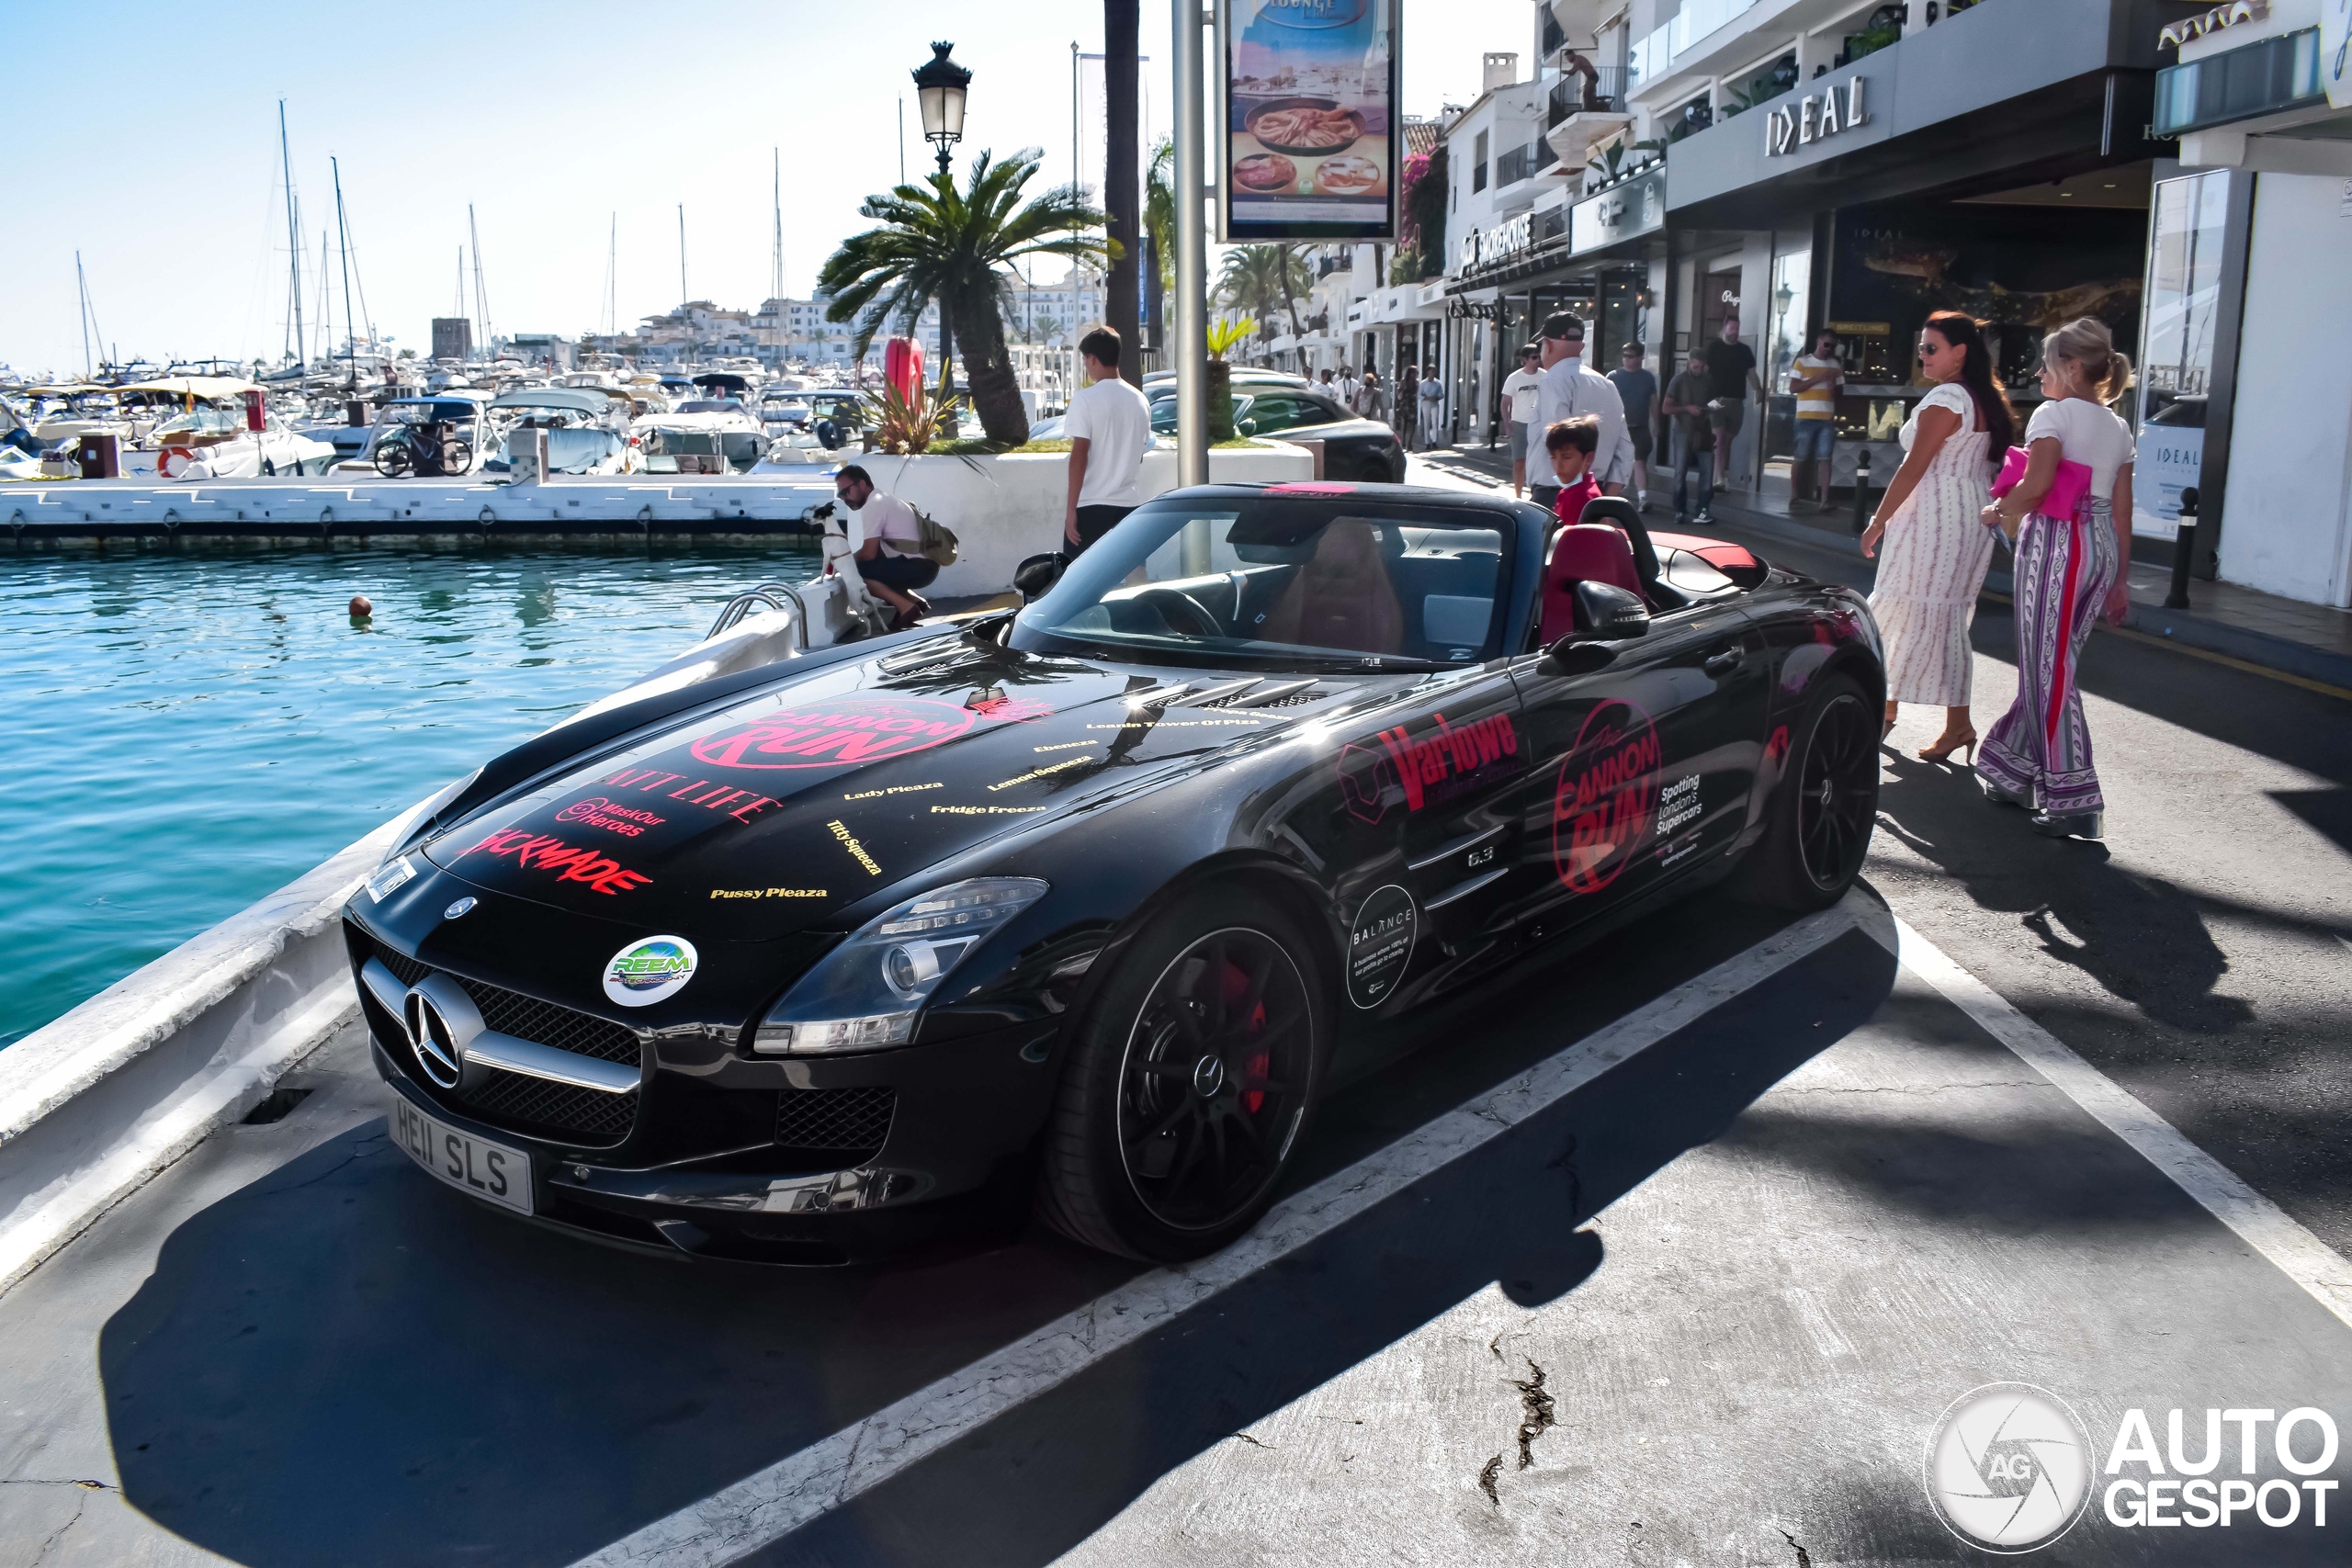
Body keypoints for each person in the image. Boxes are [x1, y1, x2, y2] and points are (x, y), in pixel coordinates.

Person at [1974, 317, 2136, 840]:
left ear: (2069, 368)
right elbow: (2122, 511)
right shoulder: (2118, 426)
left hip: (2058, 544)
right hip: (2101, 550)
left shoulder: (2054, 413)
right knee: (2054, 664)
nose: (2038, 373)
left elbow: (2038, 484)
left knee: (2048, 670)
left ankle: (2073, 797)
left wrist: (1998, 508)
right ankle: (2011, 773)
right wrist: (2119, 581)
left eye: (2045, 364)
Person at [1860, 310, 2014, 765]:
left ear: (1960, 353)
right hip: (1968, 515)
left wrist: (1878, 520)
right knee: (1937, 613)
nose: (1922, 356)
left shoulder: (1948, 397)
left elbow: (1915, 466)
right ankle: (1907, 710)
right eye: (1921, 347)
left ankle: (1934, 718)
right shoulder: (1985, 398)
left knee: (1901, 606)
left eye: (1931, 348)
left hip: (1933, 516)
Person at [1062, 326, 1153, 558]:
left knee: (1078, 580)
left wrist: (1071, 510)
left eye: (1085, 360)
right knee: (1135, 575)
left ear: (1092, 359)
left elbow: (1079, 455)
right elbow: (1140, 452)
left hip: (1091, 506)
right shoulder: (1140, 400)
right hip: (1130, 505)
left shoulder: (1085, 399)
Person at [1529, 312, 1632, 515]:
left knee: (1551, 547)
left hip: (1556, 494)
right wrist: (1607, 501)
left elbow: (1557, 439)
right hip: (1596, 491)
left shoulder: (1554, 380)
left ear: (1547, 345)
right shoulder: (1606, 384)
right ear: (1582, 346)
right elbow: (1625, 450)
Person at [834, 464, 937, 630]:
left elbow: (868, 555)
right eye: (841, 495)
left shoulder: (874, 505)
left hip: (918, 568)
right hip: (926, 566)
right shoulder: (884, 498)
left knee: (858, 572)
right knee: (876, 567)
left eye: (846, 492)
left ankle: (906, 608)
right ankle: (914, 602)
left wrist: (846, 561)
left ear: (861, 484)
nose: (844, 498)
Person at [1698, 318, 1764, 489]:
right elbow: (1703, 371)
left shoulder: (1744, 350)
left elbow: (1751, 373)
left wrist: (1758, 389)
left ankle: (1717, 475)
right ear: (1724, 329)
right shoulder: (1713, 348)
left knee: (1727, 440)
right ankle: (1719, 479)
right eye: (1732, 328)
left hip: (1736, 401)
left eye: (1737, 328)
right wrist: (1702, 395)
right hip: (1715, 399)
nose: (1734, 331)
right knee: (1718, 439)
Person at [1789, 328, 1844, 510]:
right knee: (1801, 457)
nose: (1828, 348)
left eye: (1832, 345)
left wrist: (1831, 386)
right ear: (1818, 341)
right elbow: (1793, 388)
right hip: (1805, 417)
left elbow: (1840, 395)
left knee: (1825, 458)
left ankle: (1824, 500)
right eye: (1826, 344)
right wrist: (1817, 378)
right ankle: (1794, 495)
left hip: (1826, 417)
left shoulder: (1836, 365)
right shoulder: (1802, 362)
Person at [1661, 352, 1715, 525]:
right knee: (1680, 471)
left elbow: (1712, 401)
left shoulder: (1708, 380)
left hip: (1704, 431)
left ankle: (1703, 510)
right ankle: (1679, 509)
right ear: (1689, 363)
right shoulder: (1678, 380)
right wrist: (1686, 408)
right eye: (1695, 366)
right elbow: (1666, 408)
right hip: (1683, 431)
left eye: (1701, 367)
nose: (1698, 370)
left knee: (1707, 473)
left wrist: (1712, 408)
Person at [1606, 342, 1657, 512]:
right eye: (1625, 356)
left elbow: (1653, 402)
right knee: (1615, 463)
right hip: (1618, 427)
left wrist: (1657, 424)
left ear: (1640, 357)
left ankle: (1643, 499)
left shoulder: (1647, 378)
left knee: (1640, 462)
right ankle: (1609, 497)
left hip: (1640, 426)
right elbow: (1604, 402)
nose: (1627, 360)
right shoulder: (1613, 377)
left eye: (1631, 356)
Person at [1543, 415, 1603, 529]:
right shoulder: (1574, 491)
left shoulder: (1580, 497)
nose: (1558, 464)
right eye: (1553, 457)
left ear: (1588, 459)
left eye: (1566, 457)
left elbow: (1568, 543)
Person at [1500, 344, 1543, 496]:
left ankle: (1535, 493)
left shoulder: (1545, 376)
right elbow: (1505, 403)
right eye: (1534, 357)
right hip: (1519, 423)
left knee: (1538, 462)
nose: (1538, 359)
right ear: (1525, 360)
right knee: (1519, 462)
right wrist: (1507, 425)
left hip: (1539, 424)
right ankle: (1518, 495)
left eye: (1539, 356)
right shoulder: (1514, 378)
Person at [1418, 368, 1444, 451]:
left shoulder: (1438, 383)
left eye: (1434, 371)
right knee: (1426, 422)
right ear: (1427, 372)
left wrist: (1436, 397)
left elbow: (1441, 394)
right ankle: (1427, 442)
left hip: (1434, 403)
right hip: (1426, 403)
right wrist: (1425, 397)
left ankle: (1434, 441)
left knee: (1434, 422)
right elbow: (1419, 395)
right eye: (1431, 371)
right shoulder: (1423, 383)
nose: (1432, 373)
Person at [1396, 363, 1420, 445]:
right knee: (1404, 423)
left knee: (1412, 423)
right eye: (1415, 372)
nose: (1416, 374)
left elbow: (1418, 392)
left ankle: (1410, 442)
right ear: (1410, 373)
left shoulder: (1416, 382)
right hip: (1405, 403)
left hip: (1412, 403)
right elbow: (1398, 391)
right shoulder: (1404, 381)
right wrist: (1402, 388)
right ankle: (1403, 440)